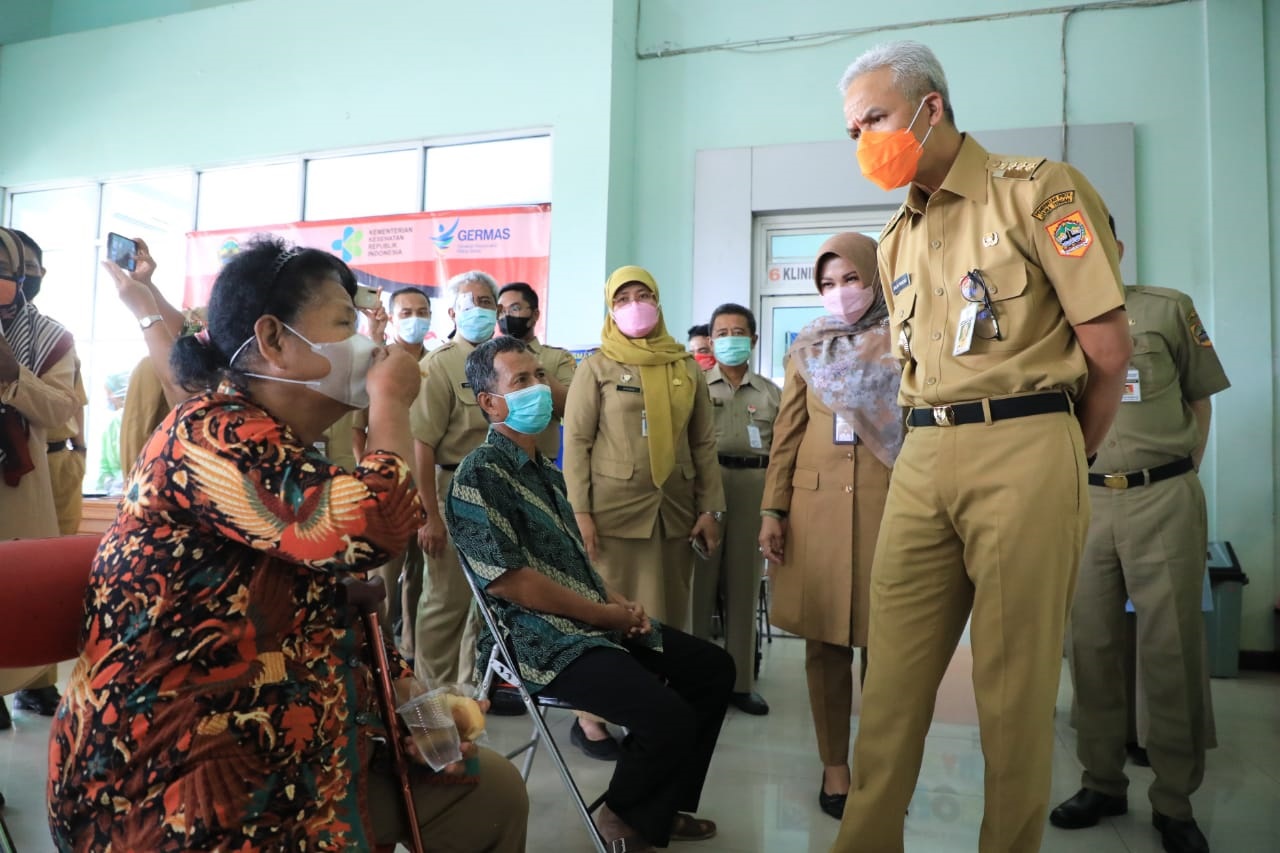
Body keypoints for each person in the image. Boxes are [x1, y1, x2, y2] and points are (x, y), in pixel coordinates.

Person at [46, 236, 528, 852]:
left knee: (490, 795)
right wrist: (391, 400)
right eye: (345, 322)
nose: (371, 344)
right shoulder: (209, 434)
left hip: (296, 739)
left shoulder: (283, 447)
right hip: (180, 778)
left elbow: (326, 606)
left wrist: (407, 704)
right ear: (273, 341)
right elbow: (373, 528)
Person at [833, 41, 1132, 853]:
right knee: (891, 684)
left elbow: (1107, 352)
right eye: (853, 128)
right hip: (923, 457)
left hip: (1027, 444)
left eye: (876, 119)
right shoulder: (895, 238)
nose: (865, 140)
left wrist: (1057, 452)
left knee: (1012, 692)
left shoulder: (1035, 192)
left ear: (932, 106)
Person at [447, 336, 733, 853]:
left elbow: (577, 565)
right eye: (521, 382)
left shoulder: (548, 475)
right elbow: (512, 583)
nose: (538, 388)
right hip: (536, 642)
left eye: (539, 376)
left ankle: (660, 810)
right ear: (489, 402)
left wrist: (619, 604)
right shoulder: (480, 475)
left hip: (588, 625)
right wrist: (605, 616)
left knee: (713, 670)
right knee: (667, 715)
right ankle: (622, 818)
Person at [1050, 217, 1229, 853]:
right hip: (1087, 504)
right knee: (1090, 644)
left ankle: (1174, 799)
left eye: (1100, 239)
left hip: (1164, 496)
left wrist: (1181, 473)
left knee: (1172, 646)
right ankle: (1101, 780)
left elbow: (1199, 398)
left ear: (1117, 249)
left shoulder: (1166, 308)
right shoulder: (1051, 323)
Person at [757, 233, 903, 818]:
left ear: (875, 276)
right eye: (827, 283)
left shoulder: (907, 338)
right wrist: (772, 509)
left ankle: (880, 764)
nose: (840, 293)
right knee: (823, 644)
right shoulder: (808, 347)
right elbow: (787, 432)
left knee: (889, 646)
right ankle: (834, 766)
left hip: (888, 505)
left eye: (851, 279)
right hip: (814, 512)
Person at [563, 267, 725, 755]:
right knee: (610, 616)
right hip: (611, 516)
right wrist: (580, 513)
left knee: (663, 619)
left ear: (658, 301)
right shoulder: (597, 367)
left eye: (644, 295)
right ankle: (591, 718)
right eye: (624, 298)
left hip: (672, 512)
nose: (635, 305)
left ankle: (652, 711)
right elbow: (576, 442)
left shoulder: (685, 366)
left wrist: (710, 509)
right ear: (611, 309)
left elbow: (703, 443)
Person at [0, 227, 81, 726]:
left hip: (18, 490)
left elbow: (58, 409)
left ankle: (26, 685)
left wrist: (12, 373)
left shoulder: (51, 337)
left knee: (13, 601)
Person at [411, 270, 500, 688]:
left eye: (487, 302)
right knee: (445, 603)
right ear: (452, 311)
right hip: (453, 491)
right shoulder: (440, 364)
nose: (479, 310)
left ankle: (470, 696)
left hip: (500, 492)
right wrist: (430, 515)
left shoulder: (507, 361)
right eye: (471, 302)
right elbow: (421, 445)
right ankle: (429, 706)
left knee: (490, 604)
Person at [690, 303, 779, 716]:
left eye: (738, 332)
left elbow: (783, 452)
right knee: (698, 588)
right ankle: (696, 681)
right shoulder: (694, 385)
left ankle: (740, 683)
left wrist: (776, 511)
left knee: (744, 586)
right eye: (721, 332)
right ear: (710, 339)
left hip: (753, 488)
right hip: (706, 489)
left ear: (754, 340)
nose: (730, 339)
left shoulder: (770, 393)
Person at [13, 231, 89, 534]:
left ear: (41, 273)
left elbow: (74, 401)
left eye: (29, 268)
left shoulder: (53, 337)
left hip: (58, 459)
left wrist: (79, 452)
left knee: (53, 553)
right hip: (16, 460)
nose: (21, 276)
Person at [496, 281, 577, 461]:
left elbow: (571, 408)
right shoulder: (488, 358)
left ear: (534, 315)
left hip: (543, 463)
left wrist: (532, 365)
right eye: (501, 310)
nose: (507, 315)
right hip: (496, 462)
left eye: (515, 308)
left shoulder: (557, 358)